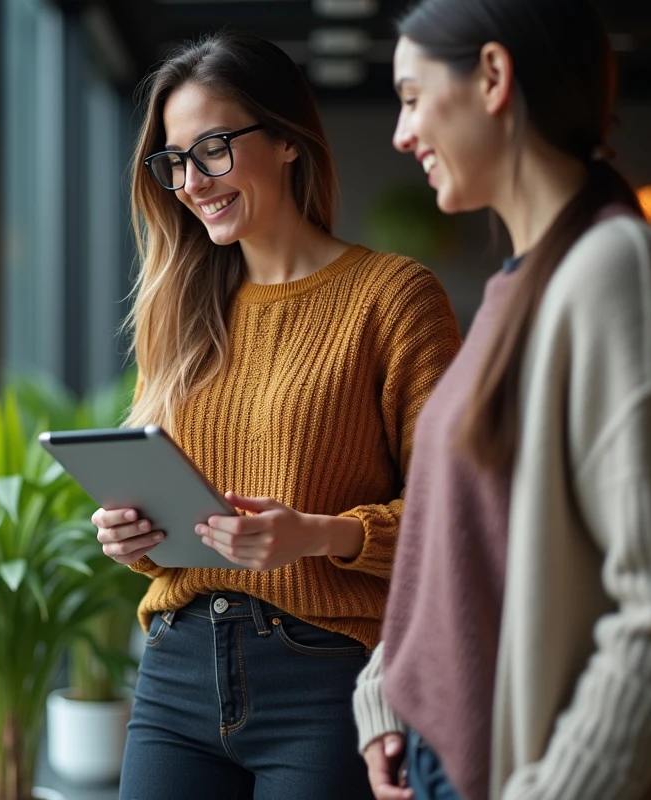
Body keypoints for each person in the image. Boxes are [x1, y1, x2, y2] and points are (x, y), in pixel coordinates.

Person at [89, 30, 461, 800]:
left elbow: (452, 521)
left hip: (325, 675)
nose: (191, 181)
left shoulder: (393, 298)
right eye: (174, 160)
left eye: (214, 148)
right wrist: (133, 539)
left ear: (288, 141)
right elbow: (171, 535)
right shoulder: (180, 310)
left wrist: (316, 534)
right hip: (176, 667)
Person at [354, 1, 651, 799]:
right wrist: (386, 700)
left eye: (410, 96)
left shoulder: (617, 271)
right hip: (440, 759)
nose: (402, 135)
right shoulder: (518, 288)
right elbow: (462, 547)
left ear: (494, 77)